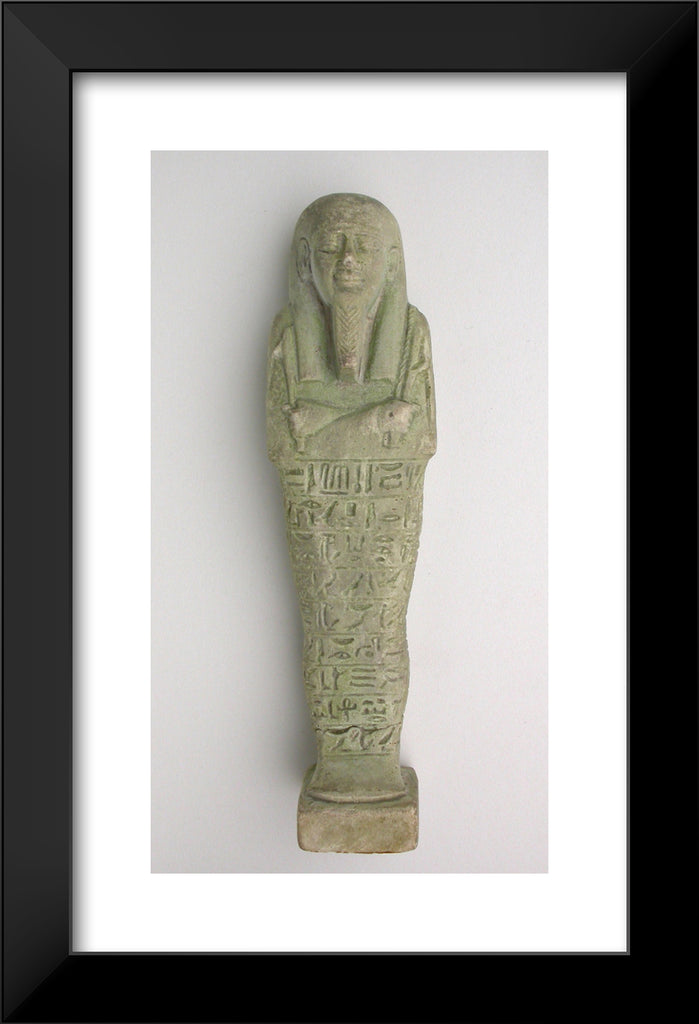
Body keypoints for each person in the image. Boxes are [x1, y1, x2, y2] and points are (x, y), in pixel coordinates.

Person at [267, 193, 436, 463]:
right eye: (330, 247)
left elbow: (421, 443)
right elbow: (281, 447)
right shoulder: (287, 332)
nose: (347, 259)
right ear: (305, 261)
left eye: (365, 247)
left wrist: (320, 418)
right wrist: (379, 417)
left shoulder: (413, 331)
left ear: (391, 264)